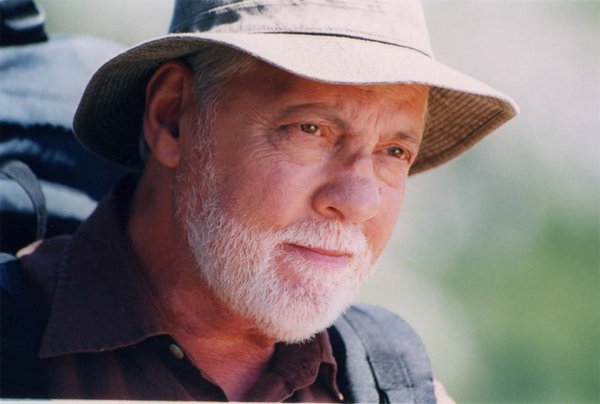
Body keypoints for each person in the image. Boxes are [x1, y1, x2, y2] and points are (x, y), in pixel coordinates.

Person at [1, 0, 518, 402]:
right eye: (310, 129)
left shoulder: (393, 383)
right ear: (172, 118)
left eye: (394, 151)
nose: (358, 202)